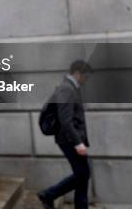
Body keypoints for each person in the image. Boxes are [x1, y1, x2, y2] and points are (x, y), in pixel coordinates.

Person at [38, 61, 92, 209]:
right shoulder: (66, 89)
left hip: (71, 139)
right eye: (85, 76)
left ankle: (80, 206)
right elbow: (65, 120)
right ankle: (48, 194)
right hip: (69, 139)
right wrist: (78, 143)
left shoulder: (70, 88)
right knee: (83, 174)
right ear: (77, 73)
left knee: (82, 175)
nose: (86, 80)